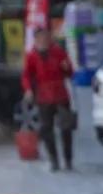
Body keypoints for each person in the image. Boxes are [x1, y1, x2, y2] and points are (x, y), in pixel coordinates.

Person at [21, 26, 76, 171]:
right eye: (40, 37)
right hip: (43, 96)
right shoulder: (32, 55)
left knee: (66, 128)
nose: (44, 40)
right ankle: (54, 160)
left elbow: (70, 73)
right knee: (46, 129)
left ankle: (68, 159)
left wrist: (66, 67)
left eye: (46, 36)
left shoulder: (58, 52)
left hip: (60, 94)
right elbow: (27, 75)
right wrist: (28, 90)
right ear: (36, 39)